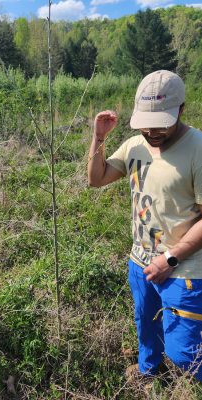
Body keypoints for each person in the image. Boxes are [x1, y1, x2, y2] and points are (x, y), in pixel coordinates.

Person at [88, 70, 202, 382]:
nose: (151, 130)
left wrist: (171, 258)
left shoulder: (198, 149)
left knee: (185, 352)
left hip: (184, 268)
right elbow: (96, 179)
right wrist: (98, 138)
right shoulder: (134, 145)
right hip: (140, 261)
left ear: (180, 110)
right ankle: (149, 370)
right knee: (146, 323)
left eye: (160, 122)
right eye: (145, 122)